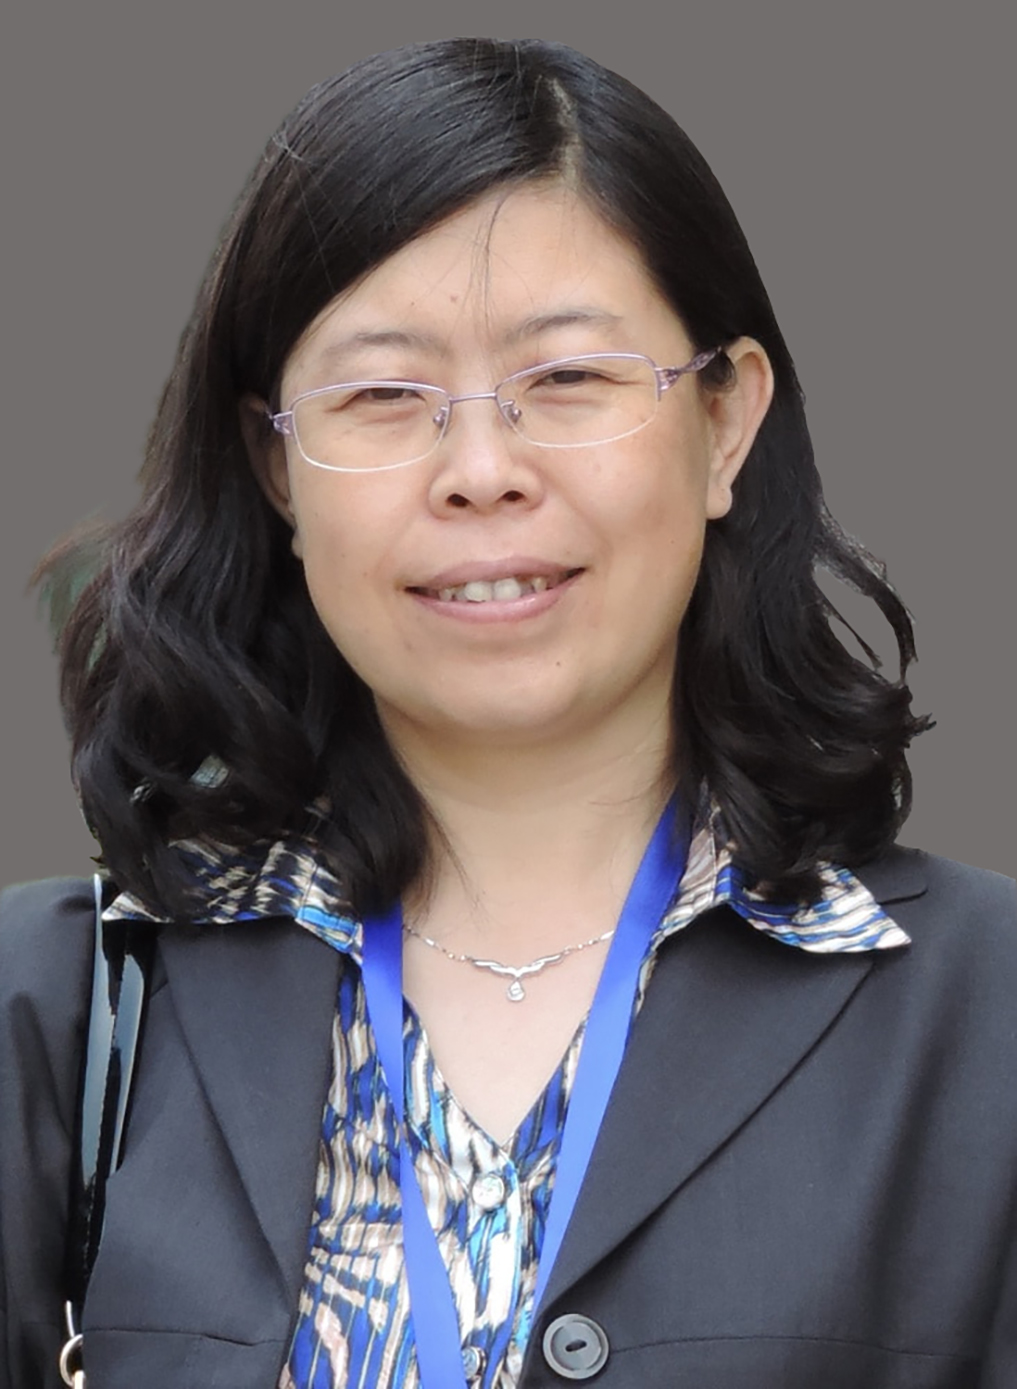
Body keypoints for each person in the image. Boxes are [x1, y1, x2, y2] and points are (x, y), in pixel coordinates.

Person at [1, 36, 1014, 1389]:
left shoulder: (988, 1014)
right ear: (276, 467)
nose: (481, 470)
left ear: (724, 424)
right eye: (382, 395)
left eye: (568, 379)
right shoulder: (65, 1010)